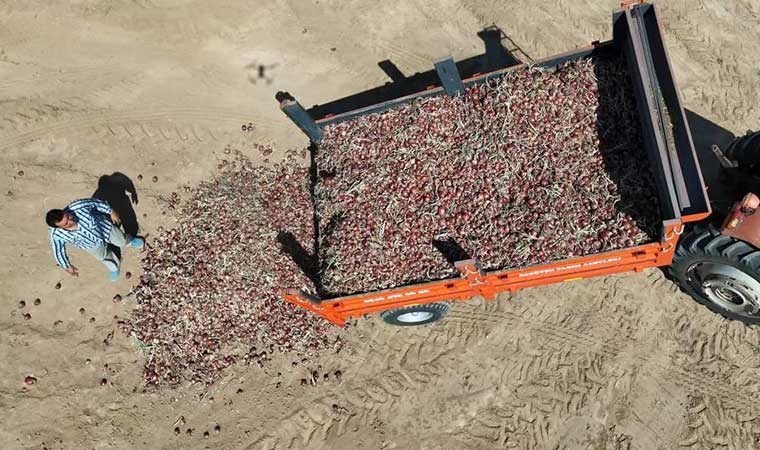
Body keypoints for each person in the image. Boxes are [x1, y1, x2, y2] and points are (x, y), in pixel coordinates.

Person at [46, 198, 144, 281]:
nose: (71, 221)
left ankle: (130, 241)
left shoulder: (78, 206)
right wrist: (67, 266)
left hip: (104, 228)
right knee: (103, 257)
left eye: (68, 217)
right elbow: (58, 251)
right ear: (58, 227)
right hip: (90, 245)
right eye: (66, 224)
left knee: (121, 241)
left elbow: (96, 203)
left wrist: (111, 211)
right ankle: (114, 266)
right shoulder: (56, 235)